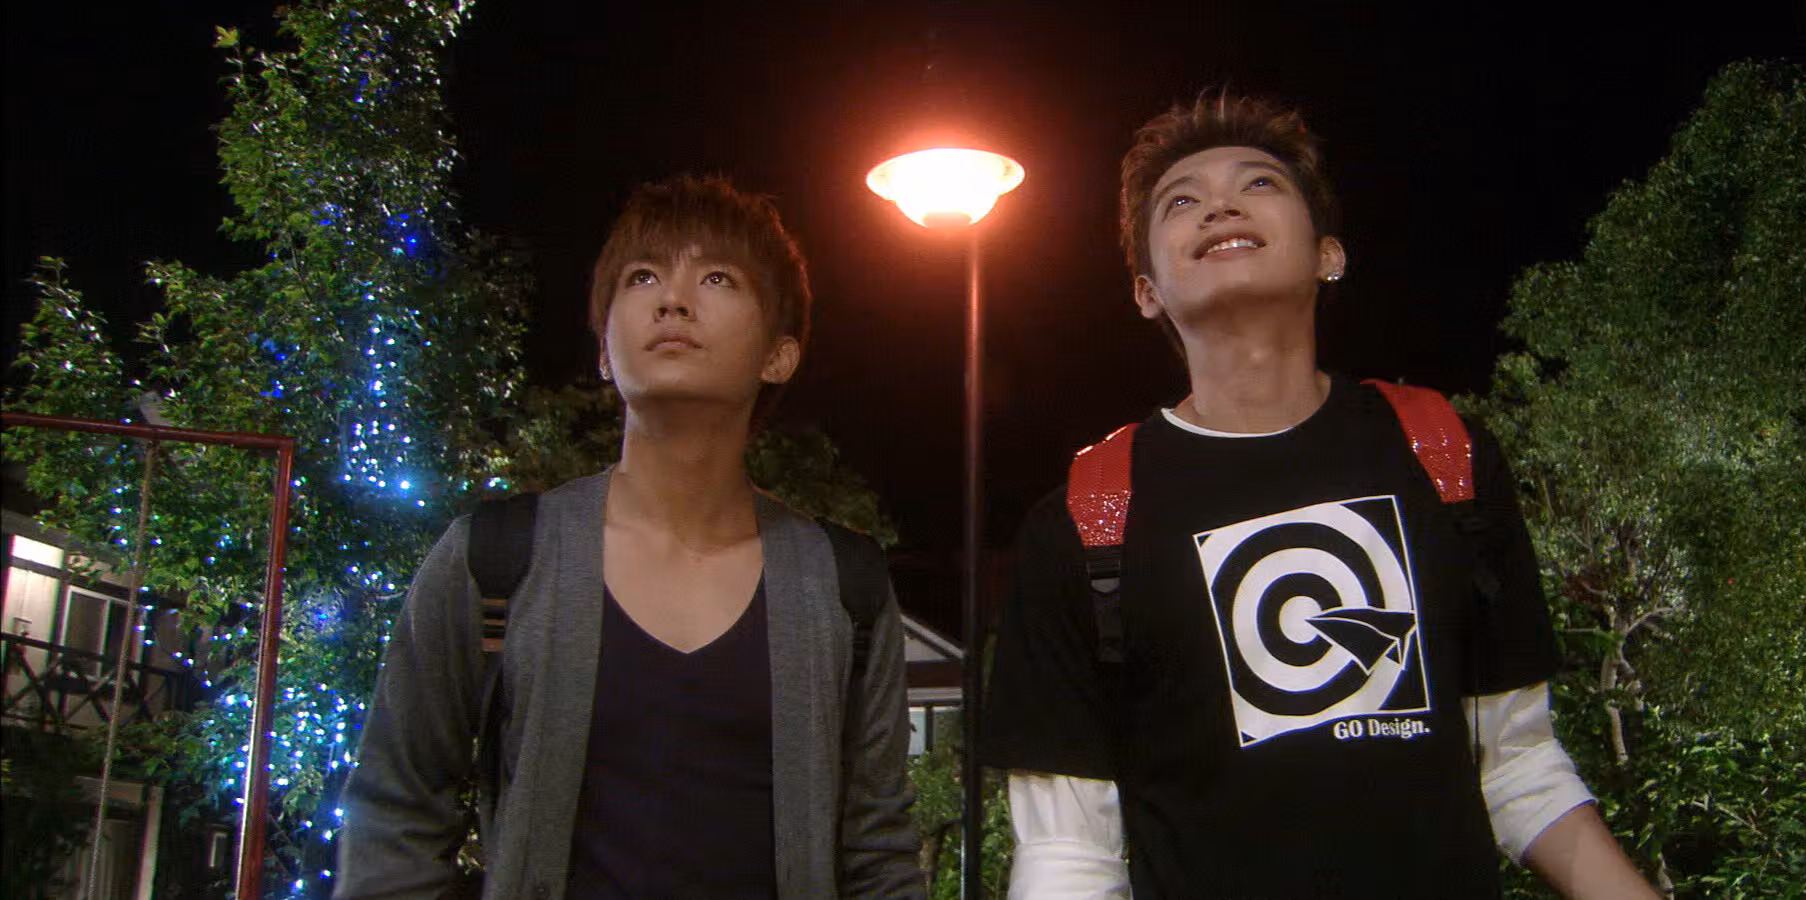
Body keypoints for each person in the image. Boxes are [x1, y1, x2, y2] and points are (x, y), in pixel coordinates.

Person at [981, 94, 1660, 898]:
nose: (1220, 206)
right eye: (1181, 202)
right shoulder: (1085, 519)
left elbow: (1519, 766)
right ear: (1146, 290)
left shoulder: (1444, 455)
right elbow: (1068, 853)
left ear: (1328, 254)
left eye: (1259, 184)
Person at [338, 174, 924, 899]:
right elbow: (395, 811)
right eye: (642, 276)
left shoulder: (843, 586)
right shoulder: (494, 559)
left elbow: (878, 852)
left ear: (779, 354)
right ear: (605, 352)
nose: (672, 299)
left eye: (717, 277)